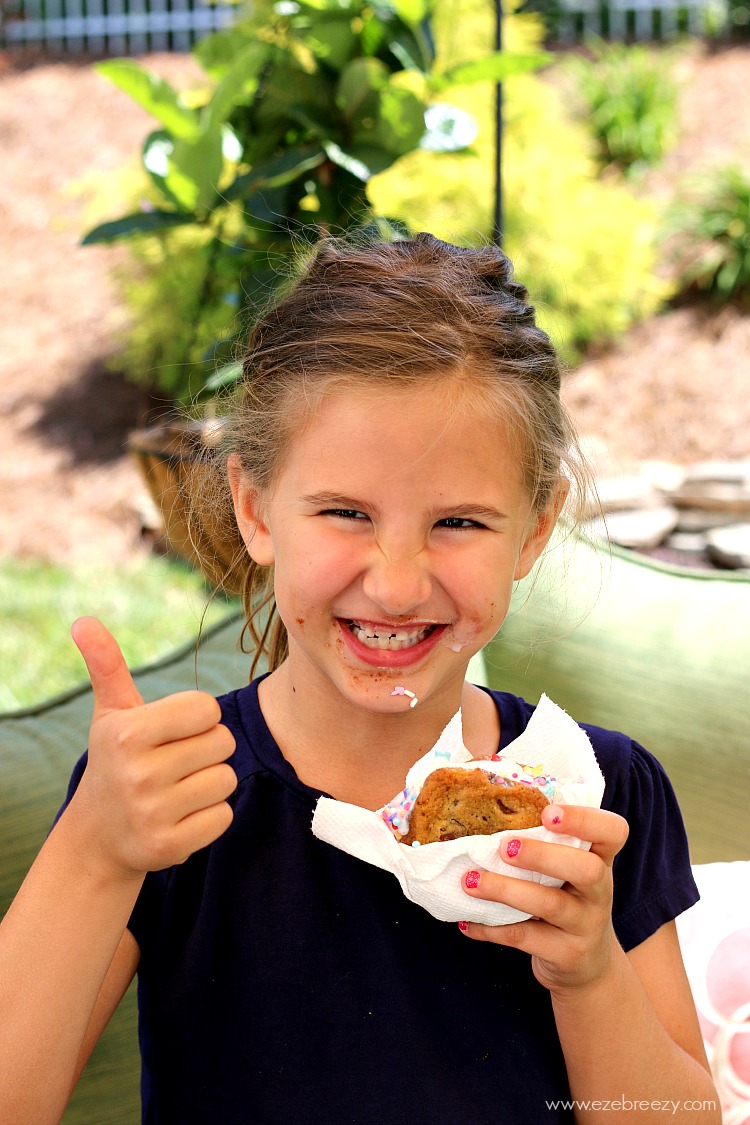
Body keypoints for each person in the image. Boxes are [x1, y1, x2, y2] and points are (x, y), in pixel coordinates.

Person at [0, 234, 719, 1124]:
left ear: (534, 532)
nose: (397, 581)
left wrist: (591, 973)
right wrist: (93, 850)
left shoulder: (604, 801)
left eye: (457, 520)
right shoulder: (168, 802)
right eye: (347, 513)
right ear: (256, 509)